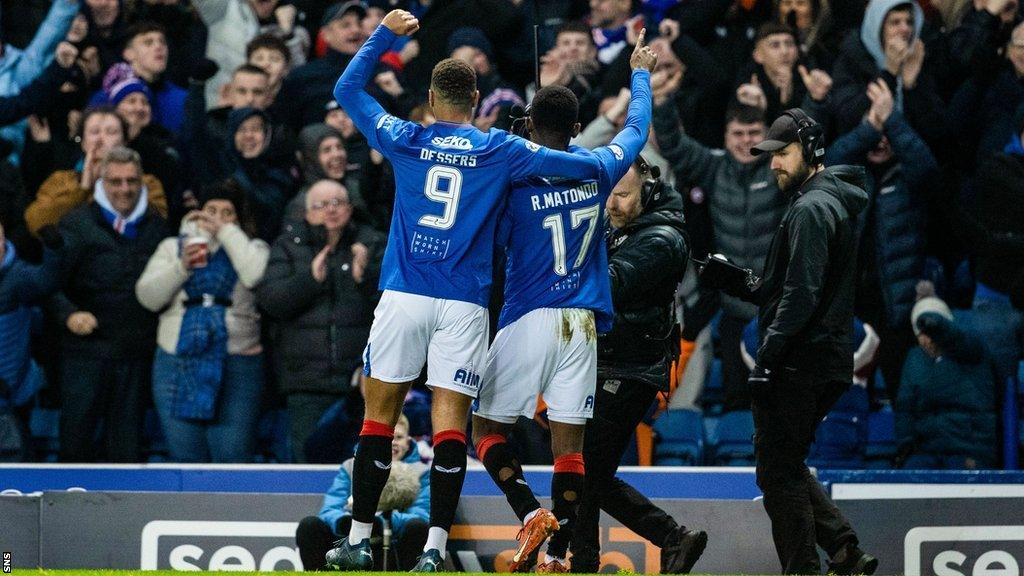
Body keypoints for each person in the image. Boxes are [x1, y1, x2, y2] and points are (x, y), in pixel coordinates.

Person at [326, 9, 613, 572]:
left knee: (378, 420)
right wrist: (606, 155)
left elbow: (346, 87)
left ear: (431, 98)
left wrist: (385, 34)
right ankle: (433, 552)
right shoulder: (499, 150)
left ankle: (359, 539)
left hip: (407, 292)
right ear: (477, 97)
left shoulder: (404, 136)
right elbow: (568, 165)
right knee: (452, 425)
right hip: (464, 304)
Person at [470, 37, 656, 573]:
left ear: (529, 126)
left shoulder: (512, 175)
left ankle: (529, 512)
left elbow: (494, 234)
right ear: (577, 129)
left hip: (528, 314)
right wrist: (639, 73)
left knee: (485, 430)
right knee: (569, 448)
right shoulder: (598, 168)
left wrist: (511, 146)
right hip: (582, 323)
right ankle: (558, 554)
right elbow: (636, 130)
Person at [701, 109, 874, 574]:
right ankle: (844, 550)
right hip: (817, 355)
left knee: (778, 474)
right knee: (784, 463)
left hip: (803, 357)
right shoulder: (817, 203)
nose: (773, 164)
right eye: (771, 156)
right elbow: (788, 289)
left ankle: (806, 568)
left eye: (783, 154)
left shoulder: (813, 208)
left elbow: (801, 295)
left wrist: (768, 355)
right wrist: (739, 280)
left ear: (812, 151)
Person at [568, 158, 705, 575]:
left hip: (633, 370)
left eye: (622, 194)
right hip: (611, 363)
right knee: (591, 473)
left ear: (647, 191)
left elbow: (608, 284)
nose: (611, 203)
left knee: (588, 468)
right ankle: (672, 539)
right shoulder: (625, 228)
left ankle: (587, 563)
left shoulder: (662, 240)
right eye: (607, 192)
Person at [135, 181, 270, 463]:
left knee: (233, 455)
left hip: (237, 363)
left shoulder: (252, 247)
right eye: (211, 210)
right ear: (198, 213)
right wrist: (181, 265)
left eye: (227, 212)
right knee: (187, 458)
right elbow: (148, 297)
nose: (218, 217)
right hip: (177, 361)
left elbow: (254, 275)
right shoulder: (173, 247)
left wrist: (227, 232)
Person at [50, 145, 166, 462]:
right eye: (115, 182)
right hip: (85, 354)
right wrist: (69, 314)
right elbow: (50, 285)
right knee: (76, 440)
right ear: (102, 183)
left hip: (135, 353)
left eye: (131, 181)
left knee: (127, 448)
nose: (124, 189)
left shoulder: (157, 226)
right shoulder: (76, 224)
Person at [256, 180, 385, 463]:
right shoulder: (289, 246)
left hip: (359, 383)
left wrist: (365, 279)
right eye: (321, 205)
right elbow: (270, 301)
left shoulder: (371, 243)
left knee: (362, 466)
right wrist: (309, 280)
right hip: (306, 382)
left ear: (350, 208)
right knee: (309, 465)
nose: (331, 210)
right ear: (306, 213)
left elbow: (396, 307)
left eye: (338, 203)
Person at [296, 414, 430, 571]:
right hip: (350, 535)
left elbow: (422, 515)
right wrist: (347, 521)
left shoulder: (422, 472)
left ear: (408, 443)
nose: (392, 443)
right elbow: (329, 510)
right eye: (387, 438)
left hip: (394, 543)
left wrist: (380, 520)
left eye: (398, 437)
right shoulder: (350, 467)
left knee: (418, 527)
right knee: (310, 525)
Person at [24, 107, 168, 237]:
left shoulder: (145, 183)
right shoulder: (61, 180)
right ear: (83, 142)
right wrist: (82, 190)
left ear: (124, 142)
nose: (100, 139)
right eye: (94, 132)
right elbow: (36, 225)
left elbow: (158, 224)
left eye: (111, 132)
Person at [896, 297, 999, 470]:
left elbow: (983, 417)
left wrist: (935, 324)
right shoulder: (914, 358)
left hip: (966, 451)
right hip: (926, 451)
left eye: (930, 332)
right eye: (921, 333)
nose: (926, 340)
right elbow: (905, 407)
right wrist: (906, 449)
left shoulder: (972, 349)